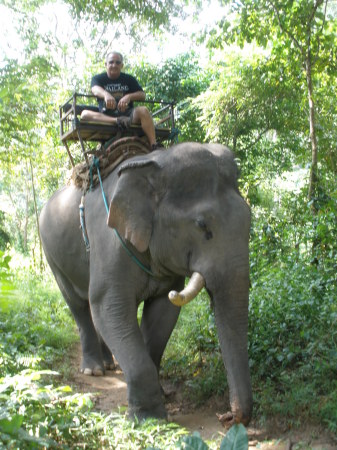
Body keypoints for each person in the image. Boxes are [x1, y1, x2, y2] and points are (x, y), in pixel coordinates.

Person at [81, 51, 159, 150]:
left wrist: (129, 97)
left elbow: (142, 95)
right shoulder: (98, 78)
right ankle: (117, 121)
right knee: (84, 114)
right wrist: (106, 95)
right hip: (106, 117)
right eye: (111, 62)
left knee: (143, 110)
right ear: (106, 64)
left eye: (118, 63)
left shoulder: (129, 79)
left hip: (128, 117)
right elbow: (95, 89)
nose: (114, 65)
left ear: (122, 65)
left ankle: (153, 144)